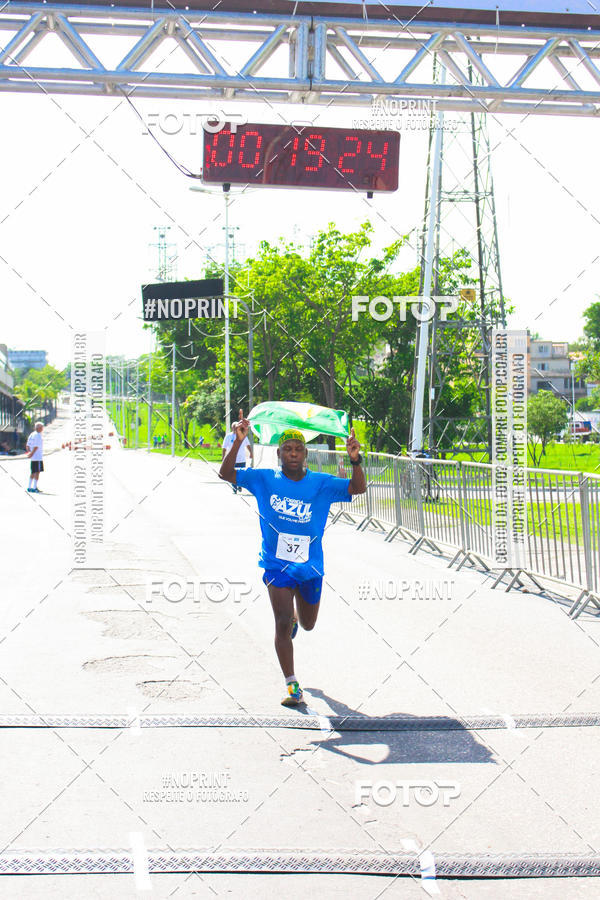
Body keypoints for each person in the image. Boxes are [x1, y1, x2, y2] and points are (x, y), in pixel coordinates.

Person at [219, 409, 366, 707]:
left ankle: (299, 617)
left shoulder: (321, 483)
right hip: (276, 565)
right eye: (288, 449)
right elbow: (226, 474)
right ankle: (292, 684)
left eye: (298, 449)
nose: (294, 453)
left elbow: (357, 488)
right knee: (282, 622)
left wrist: (355, 460)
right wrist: (238, 441)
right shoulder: (264, 479)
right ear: (279, 453)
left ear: (306, 454)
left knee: (308, 624)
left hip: (310, 567)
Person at [221, 422, 253, 494]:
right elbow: (224, 447)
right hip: (232, 459)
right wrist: (223, 457)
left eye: (236, 427)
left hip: (241, 459)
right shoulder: (228, 436)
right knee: (231, 474)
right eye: (234, 427)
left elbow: (248, 445)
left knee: (240, 473)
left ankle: (239, 485)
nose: (235, 428)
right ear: (232, 428)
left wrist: (251, 453)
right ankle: (234, 487)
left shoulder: (243, 435)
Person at [25, 421, 44, 493]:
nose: (42, 429)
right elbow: (36, 446)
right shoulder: (38, 435)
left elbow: (27, 445)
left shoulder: (32, 434)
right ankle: (35, 487)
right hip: (37, 457)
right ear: (39, 428)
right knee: (37, 472)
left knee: (33, 471)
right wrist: (32, 453)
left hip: (33, 458)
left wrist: (29, 452)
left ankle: (29, 486)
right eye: (42, 427)